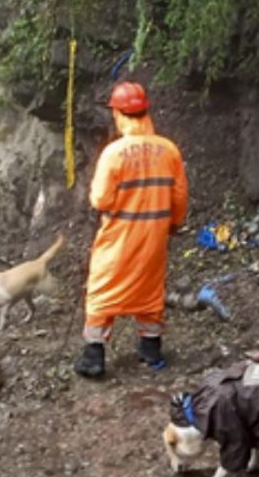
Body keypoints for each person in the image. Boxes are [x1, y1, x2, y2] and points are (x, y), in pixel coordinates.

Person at [74, 82, 189, 378]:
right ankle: (151, 350)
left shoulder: (114, 153)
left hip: (119, 237)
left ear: (119, 113)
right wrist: (173, 223)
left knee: (103, 289)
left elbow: (100, 199)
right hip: (154, 236)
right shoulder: (169, 150)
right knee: (150, 289)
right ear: (145, 110)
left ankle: (93, 356)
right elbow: (179, 197)